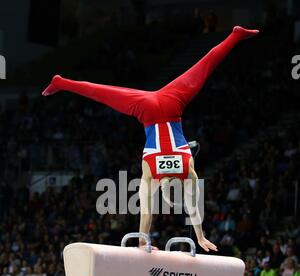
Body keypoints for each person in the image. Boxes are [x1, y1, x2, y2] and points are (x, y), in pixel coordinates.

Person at [42, 26, 259, 252]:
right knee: (103, 93)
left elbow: (192, 207)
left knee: (203, 67)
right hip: (149, 110)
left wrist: (200, 236)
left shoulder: (188, 171)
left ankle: (235, 35)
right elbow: (149, 212)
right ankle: (62, 83)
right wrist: (146, 241)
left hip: (171, 103)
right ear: (164, 189)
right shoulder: (154, 174)